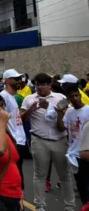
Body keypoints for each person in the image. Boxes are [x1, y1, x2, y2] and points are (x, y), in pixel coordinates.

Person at [20, 73, 76, 211]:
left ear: (49, 85)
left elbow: (67, 116)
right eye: (37, 84)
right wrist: (31, 109)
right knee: (39, 174)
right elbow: (21, 119)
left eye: (43, 84)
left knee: (64, 175)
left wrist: (51, 109)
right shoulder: (29, 99)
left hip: (59, 139)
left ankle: (70, 206)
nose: (39, 87)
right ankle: (40, 206)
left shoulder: (60, 98)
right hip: (39, 140)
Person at [45, 83, 89, 205]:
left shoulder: (88, 110)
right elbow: (61, 129)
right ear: (68, 99)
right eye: (71, 97)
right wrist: (59, 113)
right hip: (75, 154)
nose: (74, 99)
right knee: (82, 186)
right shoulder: (69, 113)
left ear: (80, 95)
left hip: (86, 153)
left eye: (76, 96)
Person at [0, 69, 28, 190]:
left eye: (19, 79)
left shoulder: (12, 97)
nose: (19, 81)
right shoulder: (3, 96)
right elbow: (2, 120)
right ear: (6, 81)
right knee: (14, 177)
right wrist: (11, 140)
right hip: (14, 142)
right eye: (15, 79)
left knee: (18, 176)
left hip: (20, 141)